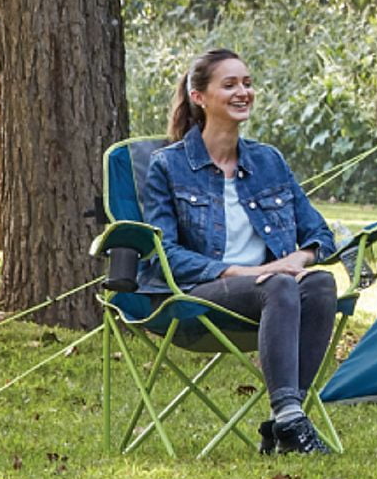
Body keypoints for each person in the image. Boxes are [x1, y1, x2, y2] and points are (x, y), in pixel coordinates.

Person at [137, 49, 343, 455]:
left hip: (273, 291)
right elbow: (164, 254)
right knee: (279, 285)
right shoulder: (167, 166)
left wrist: (297, 261)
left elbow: (318, 233)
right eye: (229, 84)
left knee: (319, 283)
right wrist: (245, 272)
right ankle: (290, 421)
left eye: (247, 83)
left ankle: (285, 421)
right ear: (199, 97)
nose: (243, 92)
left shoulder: (269, 161)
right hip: (199, 294)